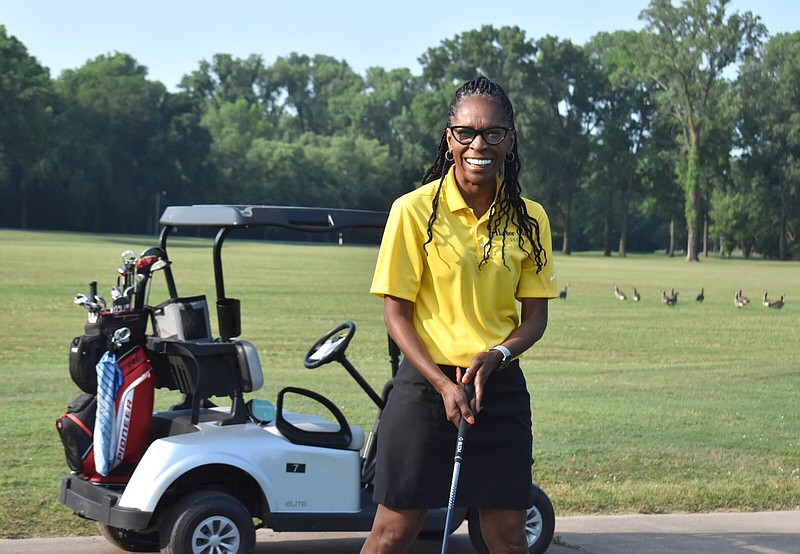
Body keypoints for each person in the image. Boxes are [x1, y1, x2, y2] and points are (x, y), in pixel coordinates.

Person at [362, 76, 559, 554]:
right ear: (449, 138)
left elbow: (534, 317)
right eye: (466, 133)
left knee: (509, 535)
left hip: (499, 386)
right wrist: (444, 384)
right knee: (393, 531)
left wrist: (497, 355)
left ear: (510, 142)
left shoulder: (530, 219)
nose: (479, 144)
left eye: (493, 133)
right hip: (426, 387)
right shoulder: (412, 210)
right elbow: (396, 315)